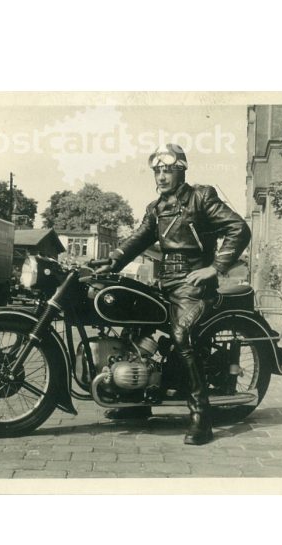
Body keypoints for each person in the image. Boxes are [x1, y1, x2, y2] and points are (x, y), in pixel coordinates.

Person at [98, 144, 251, 445]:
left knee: (182, 337)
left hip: (193, 286)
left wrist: (216, 267)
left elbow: (238, 228)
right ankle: (134, 402)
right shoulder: (155, 209)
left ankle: (201, 415)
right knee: (133, 324)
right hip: (165, 283)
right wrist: (112, 258)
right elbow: (138, 238)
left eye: (168, 169)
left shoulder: (200, 197)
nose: (162, 175)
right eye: (158, 170)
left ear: (181, 170)